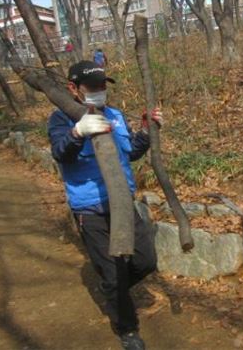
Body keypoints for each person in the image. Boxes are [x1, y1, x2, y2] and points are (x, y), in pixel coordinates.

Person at [48, 60, 162, 350]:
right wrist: (78, 132)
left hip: (123, 202)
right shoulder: (61, 118)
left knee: (146, 260)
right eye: (93, 87)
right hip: (91, 210)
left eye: (103, 86)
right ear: (73, 89)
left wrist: (146, 132)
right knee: (113, 274)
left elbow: (131, 152)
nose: (100, 91)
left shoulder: (115, 114)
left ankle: (114, 289)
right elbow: (60, 153)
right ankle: (128, 329)